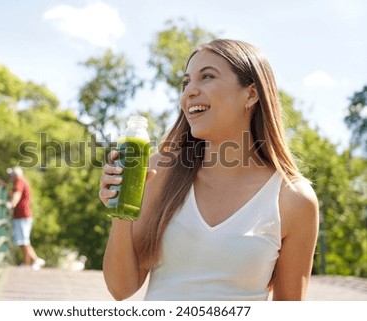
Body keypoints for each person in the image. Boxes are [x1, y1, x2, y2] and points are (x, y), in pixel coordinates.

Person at [99, 39, 319, 301]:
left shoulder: (293, 198)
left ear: (251, 93)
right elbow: (121, 288)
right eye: (186, 82)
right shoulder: (159, 172)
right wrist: (121, 210)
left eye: (207, 77)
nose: (189, 92)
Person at [6, 166, 46, 271]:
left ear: (15, 175)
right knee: (22, 240)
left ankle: (35, 259)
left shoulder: (19, 181)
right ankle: (26, 262)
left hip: (22, 215)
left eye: (11, 175)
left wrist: (11, 204)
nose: (10, 177)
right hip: (24, 215)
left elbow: (17, 195)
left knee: (24, 240)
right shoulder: (24, 180)